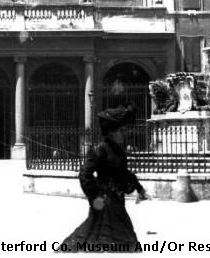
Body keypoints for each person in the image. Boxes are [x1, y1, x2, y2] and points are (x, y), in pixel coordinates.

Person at [60, 106, 148, 252]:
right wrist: (96, 195)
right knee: (99, 235)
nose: (123, 134)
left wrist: (139, 188)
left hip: (118, 201)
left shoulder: (118, 151)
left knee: (122, 240)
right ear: (111, 132)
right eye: (120, 131)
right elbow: (84, 174)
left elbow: (124, 173)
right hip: (105, 200)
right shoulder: (99, 149)